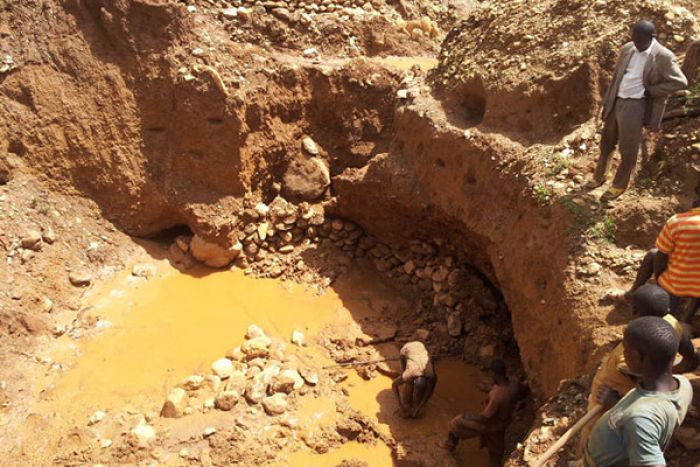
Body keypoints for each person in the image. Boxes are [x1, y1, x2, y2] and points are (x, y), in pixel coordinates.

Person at [578, 284, 699, 451]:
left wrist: (615, 404)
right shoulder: (670, 324)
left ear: (634, 310)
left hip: (611, 394)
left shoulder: (628, 355)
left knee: (592, 432)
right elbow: (690, 356)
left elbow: (646, 396)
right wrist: (671, 371)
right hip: (656, 390)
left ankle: (584, 456)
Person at [587, 20, 687, 201]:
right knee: (607, 143)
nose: (637, 44)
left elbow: (680, 82)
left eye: (641, 41)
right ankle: (599, 177)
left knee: (628, 149)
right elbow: (617, 77)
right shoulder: (628, 49)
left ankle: (618, 186)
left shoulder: (663, 56)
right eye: (634, 40)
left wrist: (652, 91)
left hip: (635, 105)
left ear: (652, 37)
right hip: (617, 101)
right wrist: (607, 104)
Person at [584, 316, 693, 466]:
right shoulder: (684, 385)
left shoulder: (639, 419)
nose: (623, 354)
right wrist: (617, 405)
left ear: (638, 356)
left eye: (626, 349)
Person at [607, 199, 700, 321]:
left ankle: (632, 295)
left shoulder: (677, 222)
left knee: (653, 254)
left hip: (674, 287)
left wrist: (660, 282)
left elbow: (661, 256)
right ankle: (687, 319)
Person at [445, 359, 527, 467]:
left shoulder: (498, 395)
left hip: (490, 424)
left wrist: (471, 416)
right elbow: (525, 391)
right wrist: (518, 405)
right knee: (496, 449)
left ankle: (450, 447)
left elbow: (486, 417)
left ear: (494, 374)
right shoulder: (514, 383)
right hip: (504, 422)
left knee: (456, 423)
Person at [392, 341, 436, 418]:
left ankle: (417, 400)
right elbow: (394, 385)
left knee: (419, 394)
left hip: (420, 347)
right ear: (414, 380)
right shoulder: (410, 374)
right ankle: (408, 401)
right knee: (408, 383)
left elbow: (430, 391)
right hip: (406, 350)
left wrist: (418, 408)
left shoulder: (431, 375)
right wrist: (400, 406)